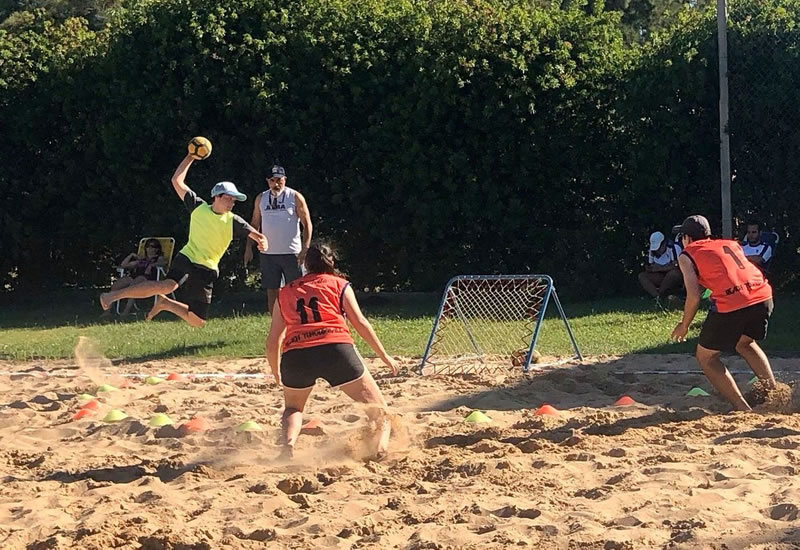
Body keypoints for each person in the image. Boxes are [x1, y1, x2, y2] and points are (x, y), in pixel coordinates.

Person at [100, 153, 269, 327]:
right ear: (217, 197)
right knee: (167, 286)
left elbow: (257, 235)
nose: (232, 203)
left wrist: (262, 242)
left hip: (208, 268)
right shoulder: (198, 207)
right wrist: (191, 156)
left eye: (234, 200)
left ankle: (165, 303)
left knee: (198, 321)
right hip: (188, 257)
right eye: (229, 198)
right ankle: (112, 296)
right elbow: (176, 181)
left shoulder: (233, 220)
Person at [265, 242, 397, 459]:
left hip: (296, 355)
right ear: (331, 262)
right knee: (379, 409)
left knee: (293, 409)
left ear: (305, 265)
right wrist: (383, 355)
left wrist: (276, 370)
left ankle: (287, 447)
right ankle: (381, 449)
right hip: (335, 348)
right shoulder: (339, 284)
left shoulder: (286, 292)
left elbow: (273, 341)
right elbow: (360, 322)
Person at [670, 215, 776, 411]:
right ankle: (775, 394)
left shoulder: (687, 254)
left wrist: (684, 325)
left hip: (734, 302)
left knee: (706, 358)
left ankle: (742, 408)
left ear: (686, 237)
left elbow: (693, 296)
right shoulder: (730, 244)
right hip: (763, 296)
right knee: (745, 342)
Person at [245, 164, 313, 314]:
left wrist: (305, 248)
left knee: (296, 289)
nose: (276, 184)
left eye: (279, 180)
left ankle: (298, 321)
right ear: (267, 181)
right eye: (272, 180)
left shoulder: (294, 197)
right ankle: (275, 323)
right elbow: (254, 224)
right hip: (268, 253)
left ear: (285, 179)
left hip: (292, 253)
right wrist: (248, 247)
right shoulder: (261, 198)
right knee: (272, 291)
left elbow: (307, 223)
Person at [101, 238, 168, 317]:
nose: (150, 248)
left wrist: (151, 265)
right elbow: (123, 265)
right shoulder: (142, 259)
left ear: (157, 249)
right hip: (135, 277)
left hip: (147, 278)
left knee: (134, 285)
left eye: (153, 246)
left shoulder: (158, 258)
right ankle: (107, 311)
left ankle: (126, 311)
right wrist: (132, 255)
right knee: (116, 285)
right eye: (148, 246)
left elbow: (163, 263)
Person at [638, 231, 683, 304]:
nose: (657, 251)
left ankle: (661, 295)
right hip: (660, 276)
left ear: (664, 243)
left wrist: (660, 268)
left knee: (674, 274)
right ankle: (657, 296)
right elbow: (650, 266)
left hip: (674, 277)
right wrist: (651, 269)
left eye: (659, 247)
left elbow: (677, 267)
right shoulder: (652, 251)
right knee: (642, 276)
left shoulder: (674, 248)